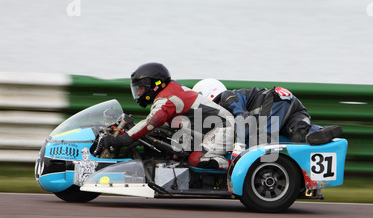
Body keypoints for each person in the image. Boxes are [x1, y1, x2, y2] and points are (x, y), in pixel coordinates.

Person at [103, 63, 234, 170]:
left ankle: (233, 168)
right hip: (205, 132)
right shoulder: (169, 91)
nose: (139, 93)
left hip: (222, 129)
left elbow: (151, 122)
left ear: (153, 85)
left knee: (196, 160)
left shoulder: (168, 98)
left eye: (141, 88)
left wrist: (124, 139)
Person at [193, 79, 342, 157]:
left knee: (260, 142)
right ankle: (319, 132)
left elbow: (244, 120)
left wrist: (237, 149)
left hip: (275, 100)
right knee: (300, 136)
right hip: (293, 107)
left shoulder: (227, 97)